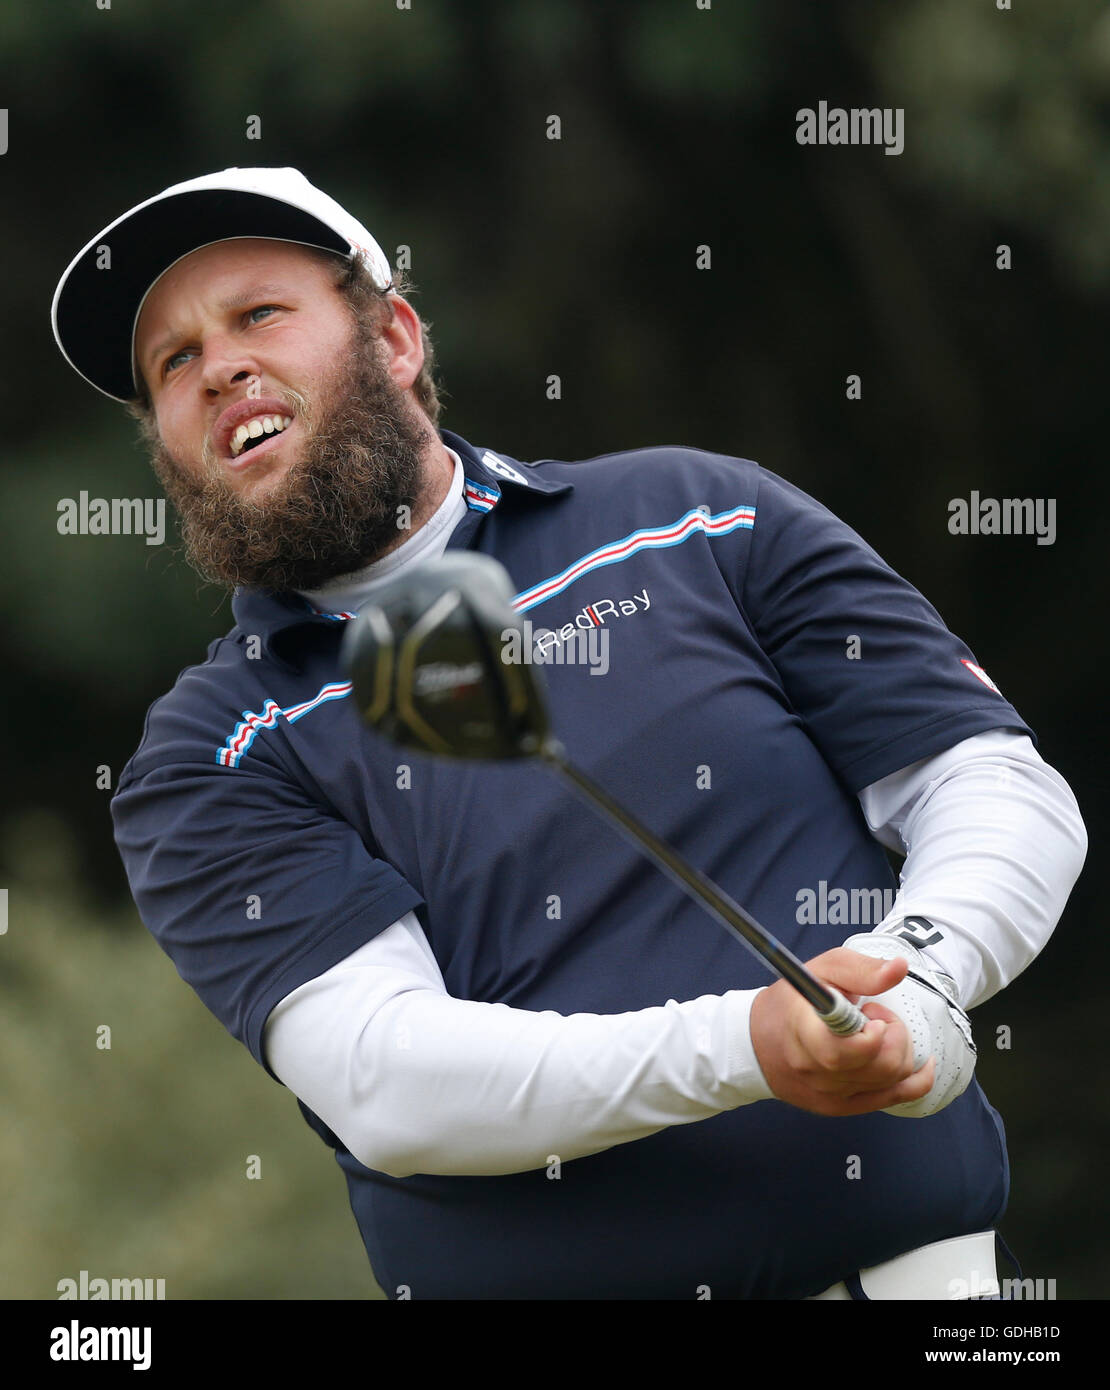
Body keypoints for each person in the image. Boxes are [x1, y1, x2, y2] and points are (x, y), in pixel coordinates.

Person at [51, 167, 1086, 1300]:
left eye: (258, 315)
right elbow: (390, 1081)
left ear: (392, 337)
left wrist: (921, 976)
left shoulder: (703, 514)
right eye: (174, 363)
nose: (221, 369)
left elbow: (987, 781)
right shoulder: (211, 754)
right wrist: (752, 1044)